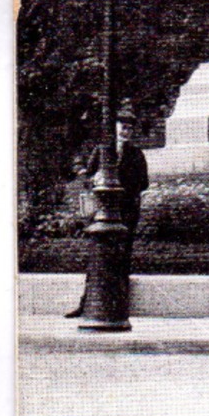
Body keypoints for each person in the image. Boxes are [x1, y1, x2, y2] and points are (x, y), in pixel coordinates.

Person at [65, 103, 150, 319]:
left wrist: (119, 186)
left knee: (122, 259)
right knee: (97, 258)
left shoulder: (137, 154)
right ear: (114, 128)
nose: (125, 132)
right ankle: (87, 304)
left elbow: (144, 183)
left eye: (129, 128)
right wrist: (94, 178)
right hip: (102, 214)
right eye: (122, 127)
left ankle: (120, 305)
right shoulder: (102, 150)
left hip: (126, 213)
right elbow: (88, 177)